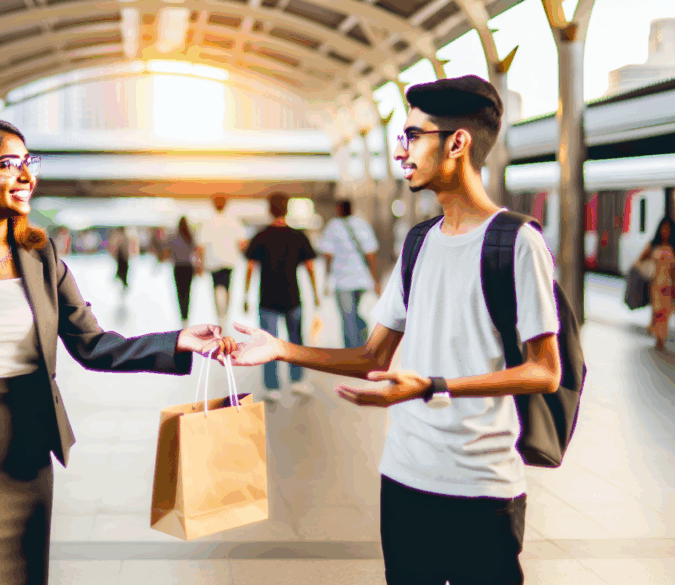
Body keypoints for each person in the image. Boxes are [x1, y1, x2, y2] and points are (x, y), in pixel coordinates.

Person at [230, 76, 562, 585]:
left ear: (457, 142)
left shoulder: (516, 243)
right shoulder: (419, 243)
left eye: (413, 136)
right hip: (405, 479)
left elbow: (544, 371)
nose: (400, 150)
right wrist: (280, 348)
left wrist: (434, 385)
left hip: (483, 489)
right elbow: (372, 357)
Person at [0, 118, 235, 585]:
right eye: (8, 164)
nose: (26, 176)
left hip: (27, 454)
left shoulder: (40, 256)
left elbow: (94, 344)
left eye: (28, 163)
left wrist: (177, 341)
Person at [243, 192, 320, 401]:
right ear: (287, 210)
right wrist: (315, 293)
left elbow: (250, 267)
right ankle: (298, 381)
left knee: (268, 343)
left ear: (269, 210)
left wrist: (245, 294)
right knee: (296, 341)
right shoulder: (298, 236)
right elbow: (310, 267)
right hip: (292, 297)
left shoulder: (260, 236)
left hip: (267, 298)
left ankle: (271, 387)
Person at [317, 200, 381, 348]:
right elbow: (371, 255)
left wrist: (327, 279)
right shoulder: (362, 225)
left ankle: (353, 353)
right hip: (362, 280)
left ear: (339, 209)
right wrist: (376, 280)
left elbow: (328, 255)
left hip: (342, 281)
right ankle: (362, 345)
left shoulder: (333, 226)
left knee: (348, 319)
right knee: (357, 316)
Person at [196, 194, 248, 327]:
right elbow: (242, 243)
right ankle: (225, 316)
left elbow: (201, 246)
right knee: (227, 288)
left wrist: (199, 264)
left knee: (216, 287)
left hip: (213, 262)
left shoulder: (207, 222)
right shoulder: (234, 221)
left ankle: (219, 317)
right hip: (229, 261)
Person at [636, 217, 675, 349]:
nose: (665, 231)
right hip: (655, 283)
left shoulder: (674, 247)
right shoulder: (653, 245)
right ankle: (655, 330)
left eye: (668, 229)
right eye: (663, 228)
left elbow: (673, 269)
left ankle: (660, 336)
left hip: (667, 284)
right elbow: (641, 259)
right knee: (657, 310)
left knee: (665, 311)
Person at [164, 217, 197, 327]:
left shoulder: (173, 236)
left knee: (180, 292)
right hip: (188, 267)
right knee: (188, 292)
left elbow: (167, 250)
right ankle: (186, 316)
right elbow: (195, 250)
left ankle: (182, 316)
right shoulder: (190, 235)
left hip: (178, 267)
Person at [110, 226, 131, 293]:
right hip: (121, 259)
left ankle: (124, 286)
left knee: (123, 274)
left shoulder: (123, 237)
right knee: (122, 274)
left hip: (123, 260)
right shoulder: (119, 237)